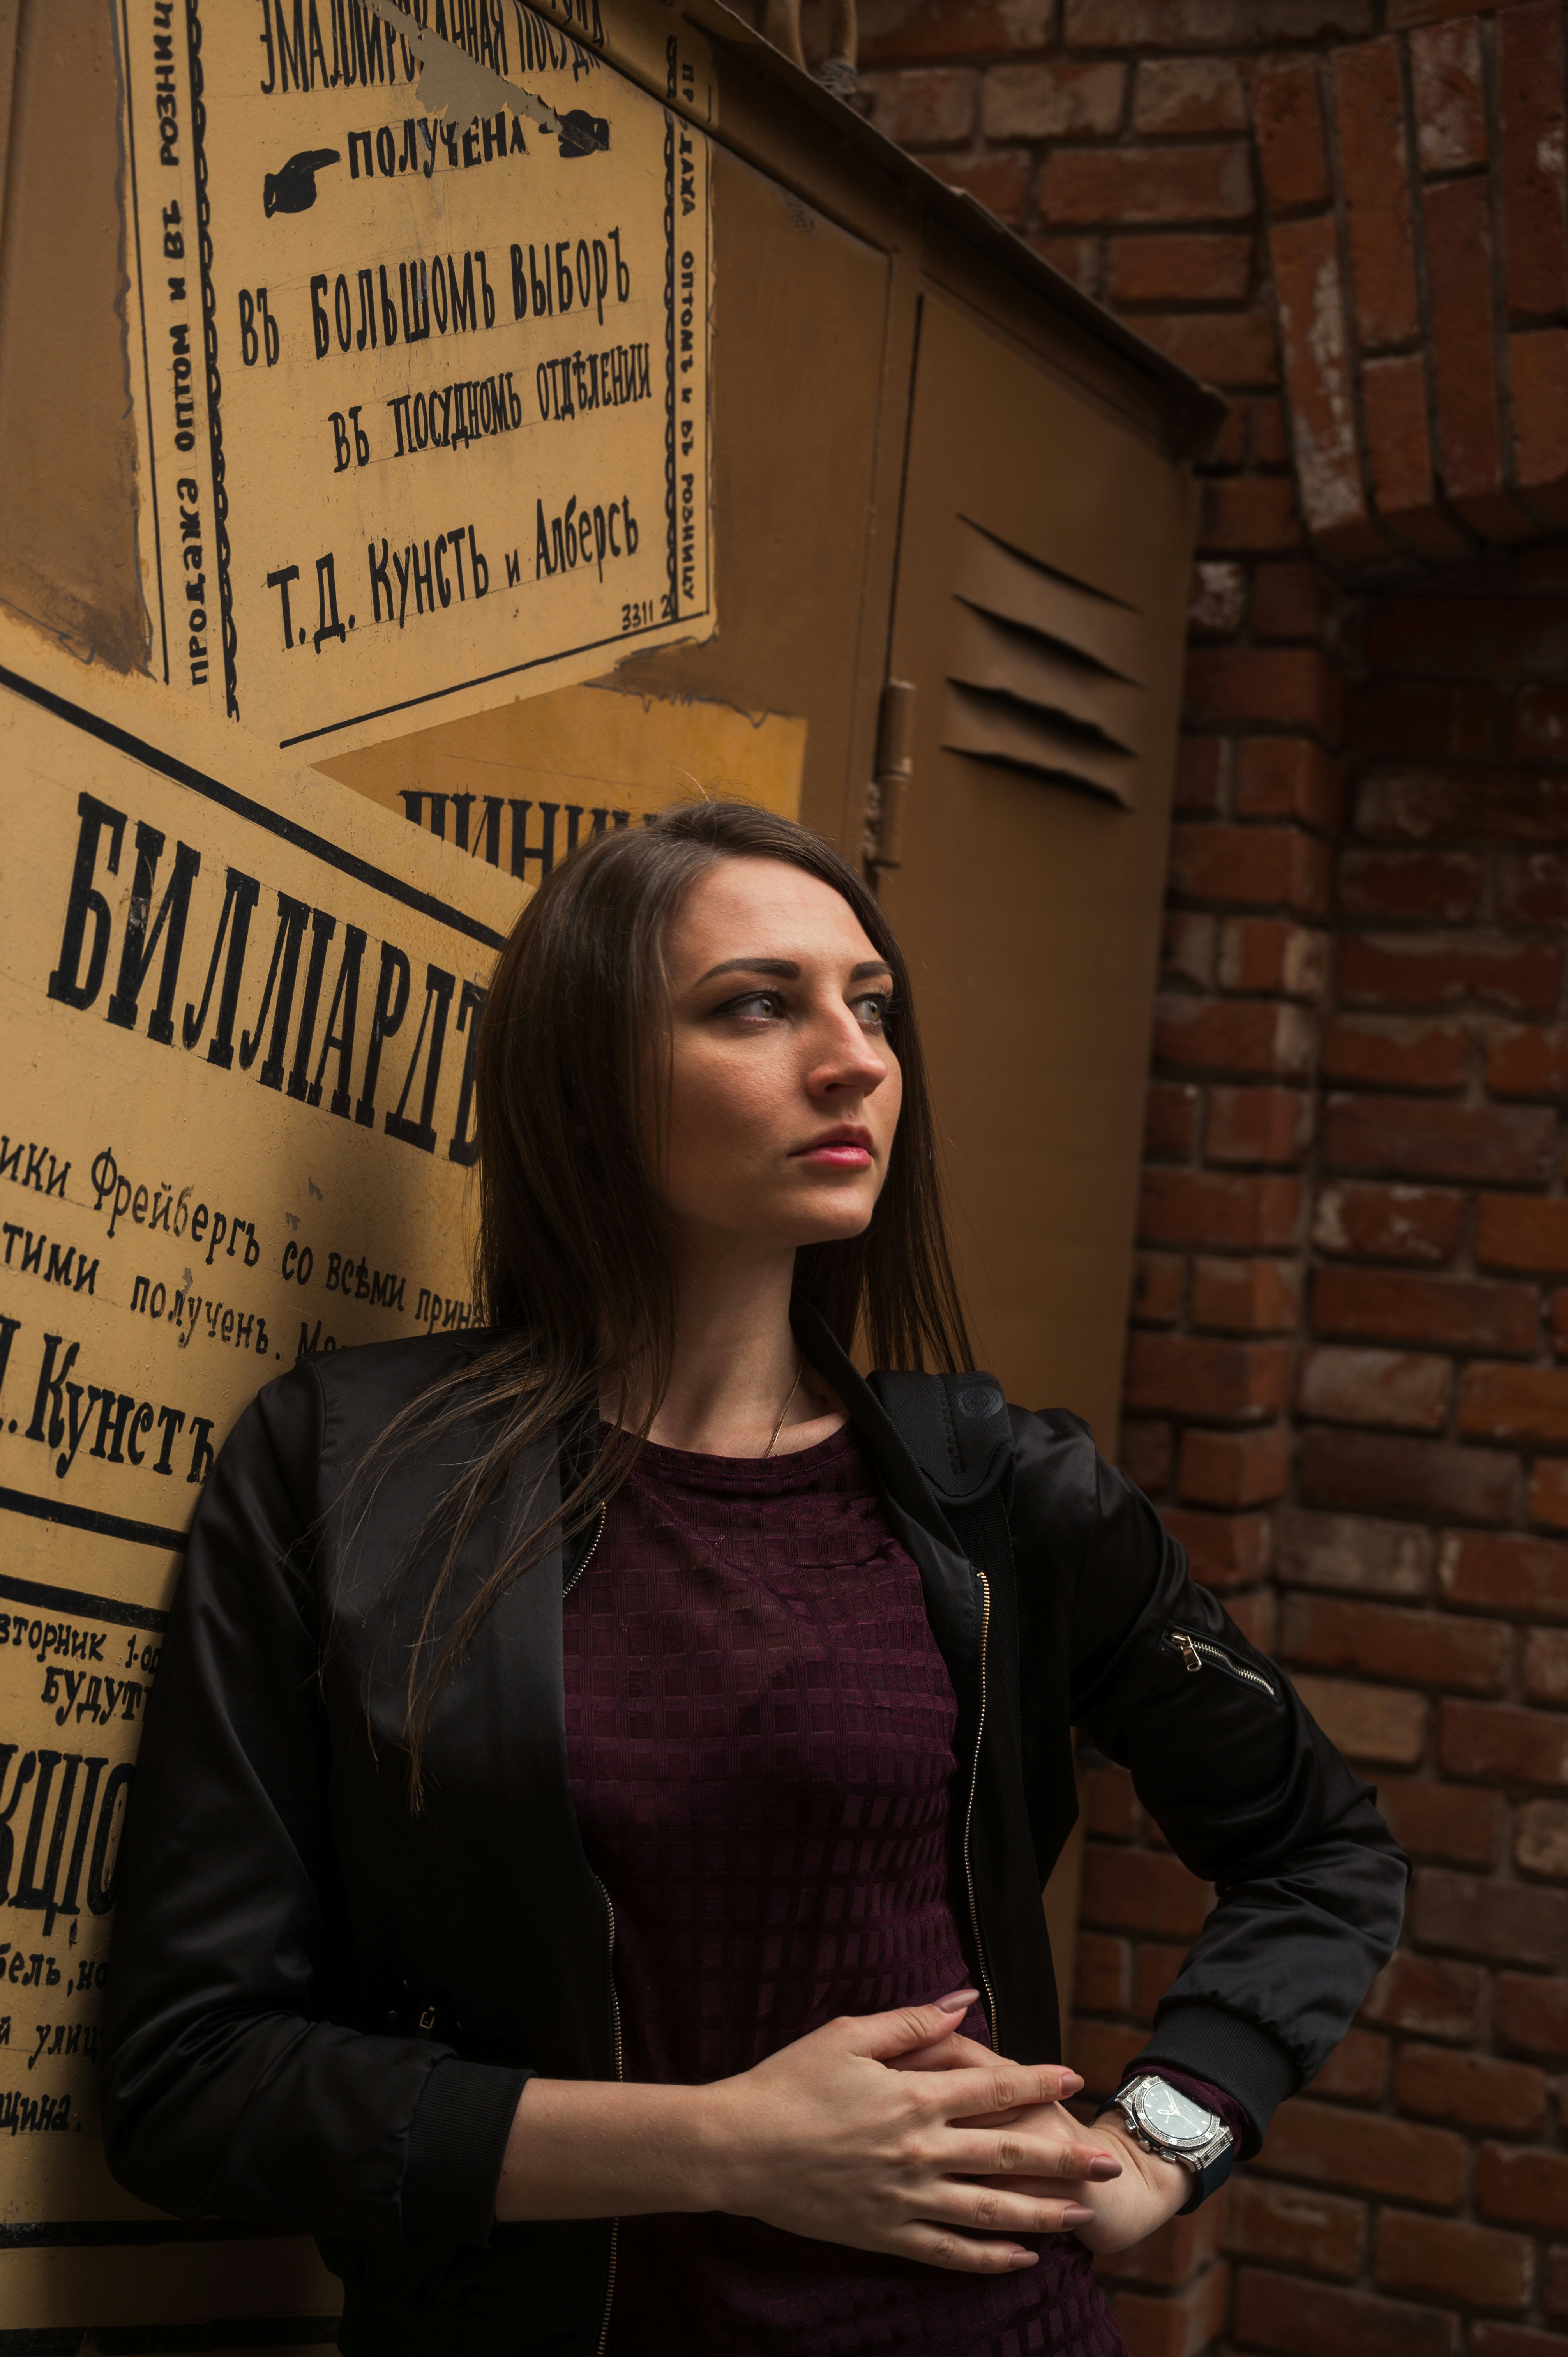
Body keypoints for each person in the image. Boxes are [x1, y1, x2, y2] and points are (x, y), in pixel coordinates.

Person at [101, 802, 1407, 2357]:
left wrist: (1164, 2138)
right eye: (755, 1005)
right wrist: (726, 2145)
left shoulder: (1001, 1491)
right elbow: (193, 2078)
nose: (854, 1057)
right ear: (586, 1083)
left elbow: (1322, 1856)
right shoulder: (353, 1471)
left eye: (870, 1006)